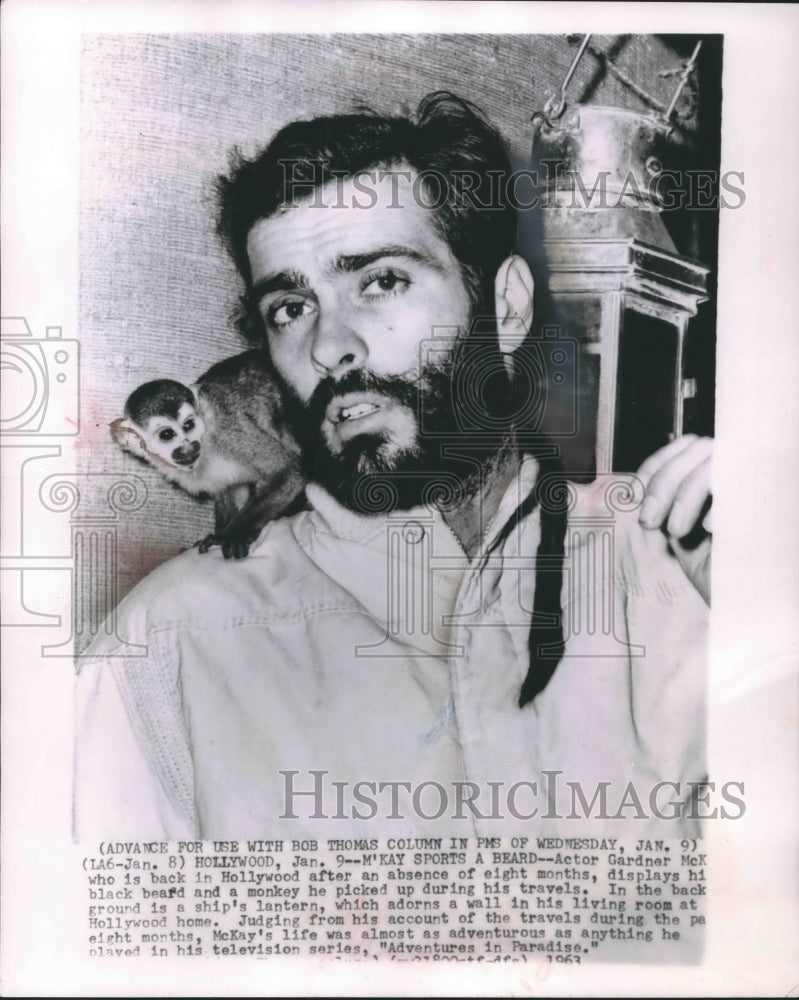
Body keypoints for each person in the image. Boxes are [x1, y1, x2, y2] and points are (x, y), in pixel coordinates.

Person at [74, 93, 712, 840]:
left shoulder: (677, 571)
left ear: (505, 307)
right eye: (289, 307)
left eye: (379, 281)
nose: (328, 346)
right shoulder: (166, 641)